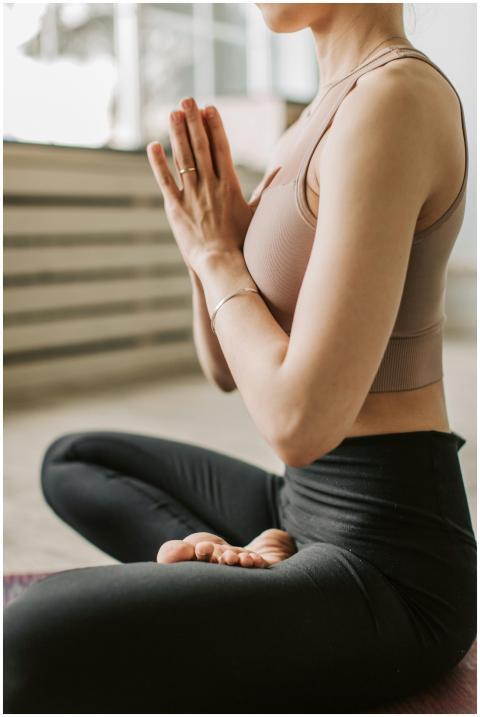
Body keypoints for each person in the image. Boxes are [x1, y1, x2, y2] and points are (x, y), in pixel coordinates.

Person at [4, 3, 476, 713]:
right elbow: (226, 367)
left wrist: (218, 255)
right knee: (75, 459)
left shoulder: (395, 101)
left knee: (24, 640)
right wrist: (206, 251)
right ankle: (235, 560)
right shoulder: (316, 116)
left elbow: (299, 419)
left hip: (387, 565)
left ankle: (248, 576)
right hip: (298, 505)